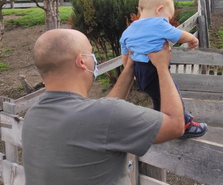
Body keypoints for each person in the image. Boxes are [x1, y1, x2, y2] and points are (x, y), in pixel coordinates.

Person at [22, 29, 185, 185]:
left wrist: (129, 68)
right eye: (91, 52)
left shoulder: (33, 115)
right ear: (81, 61)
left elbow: (101, 121)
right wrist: (162, 68)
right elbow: (175, 124)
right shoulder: (104, 115)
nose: (94, 59)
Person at [120, 0, 207, 138]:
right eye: (168, 18)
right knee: (173, 95)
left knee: (158, 98)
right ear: (159, 9)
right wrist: (192, 38)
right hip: (153, 70)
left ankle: (159, 123)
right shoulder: (158, 24)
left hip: (140, 72)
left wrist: (133, 73)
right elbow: (178, 35)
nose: (167, 22)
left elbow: (125, 55)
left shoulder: (128, 31)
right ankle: (184, 124)